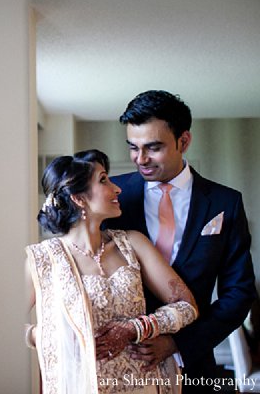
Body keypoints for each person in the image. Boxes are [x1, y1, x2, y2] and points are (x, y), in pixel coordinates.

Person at [104, 90, 257, 392]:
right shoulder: (111, 197)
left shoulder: (225, 203)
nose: (140, 159)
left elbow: (239, 292)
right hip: (119, 368)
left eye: (153, 147)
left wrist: (178, 343)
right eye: (133, 148)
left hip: (195, 365)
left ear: (184, 141)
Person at [25, 149, 198, 394]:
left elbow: (186, 306)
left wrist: (136, 328)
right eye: (103, 179)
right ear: (78, 198)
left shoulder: (133, 243)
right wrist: (43, 334)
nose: (117, 189)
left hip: (144, 382)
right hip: (83, 385)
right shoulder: (44, 259)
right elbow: (0, 323)